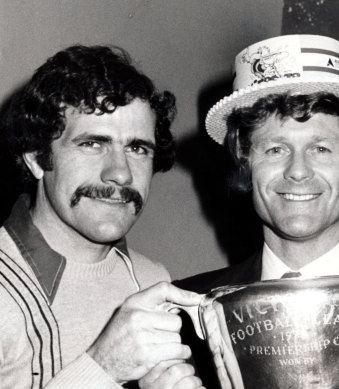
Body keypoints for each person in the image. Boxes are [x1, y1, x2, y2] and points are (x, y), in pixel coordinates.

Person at [175, 35, 339, 388]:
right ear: (245, 162)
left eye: (320, 148)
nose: (298, 171)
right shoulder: (185, 318)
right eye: (275, 150)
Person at [0, 45, 203, 388]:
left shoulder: (152, 280)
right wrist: (103, 367)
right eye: (93, 144)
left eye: (137, 148)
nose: (120, 174)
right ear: (36, 158)